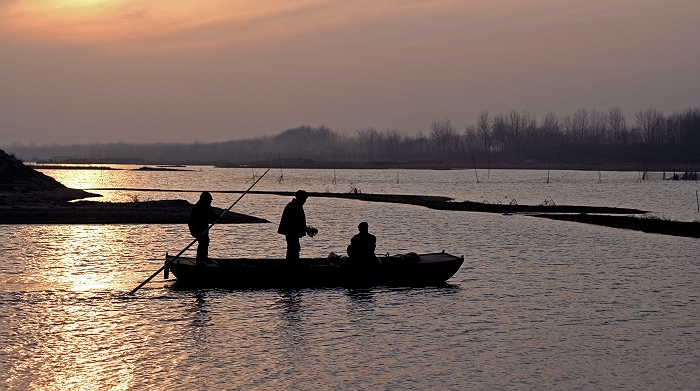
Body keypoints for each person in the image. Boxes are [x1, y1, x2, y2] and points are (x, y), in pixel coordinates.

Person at [278, 190, 317, 264]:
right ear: (300, 198)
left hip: (291, 232)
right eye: (304, 199)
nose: (305, 201)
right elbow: (296, 223)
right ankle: (292, 265)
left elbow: (298, 223)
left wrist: (306, 229)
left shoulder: (294, 205)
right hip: (291, 232)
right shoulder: (295, 207)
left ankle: (292, 264)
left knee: (293, 248)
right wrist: (308, 229)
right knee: (294, 248)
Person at [188, 191, 219, 267]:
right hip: (197, 229)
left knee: (205, 241)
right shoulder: (201, 207)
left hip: (203, 229)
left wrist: (217, 218)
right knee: (203, 241)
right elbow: (211, 214)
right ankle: (200, 260)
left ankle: (203, 258)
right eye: (209, 200)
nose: (210, 202)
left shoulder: (205, 206)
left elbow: (212, 214)